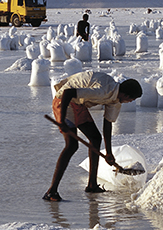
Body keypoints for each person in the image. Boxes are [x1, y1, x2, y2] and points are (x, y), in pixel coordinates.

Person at [43, 71, 142, 202]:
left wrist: (109, 153)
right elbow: (68, 93)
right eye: (131, 99)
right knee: (71, 145)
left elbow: (108, 124)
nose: (130, 102)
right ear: (125, 94)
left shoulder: (116, 101)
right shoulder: (103, 90)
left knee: (96, 138)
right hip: (64, 101)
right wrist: (61, 121)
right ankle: (51, 191)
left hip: (78, 104)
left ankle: (92, 185)